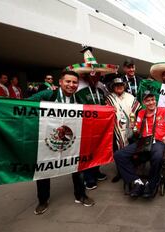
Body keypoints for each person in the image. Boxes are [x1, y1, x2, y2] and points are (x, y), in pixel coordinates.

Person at [28, 70, 94, 214]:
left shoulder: (78, 99)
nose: (71, 85)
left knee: (78, 166)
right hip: (48, 138)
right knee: (45, 168)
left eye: (74, 82)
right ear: (60, 82)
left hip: (72, 139)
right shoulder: (48, 94)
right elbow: (24, 104)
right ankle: (43, 200)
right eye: (68, 81)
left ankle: (81, 195)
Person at [68, 46, 118, 190]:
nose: (95, 77)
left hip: (100, 126)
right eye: (91, 74)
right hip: (85, 126)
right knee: (88, 152)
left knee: (99, 150)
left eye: (97, 74)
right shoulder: (77, 87)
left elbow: (107, 101)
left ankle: (96, 172)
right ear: (84, 75)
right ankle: (89, 178)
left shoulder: (101, 86)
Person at [114, 91, 165, 198]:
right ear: (144, 102)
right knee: (119, 155)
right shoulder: (141, 113)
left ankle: (152, 183)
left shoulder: (164, 111)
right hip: (144, 141)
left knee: (158, 157)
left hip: (158, 141)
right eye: (148, 100)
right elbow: (137, 131)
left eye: (153, 100)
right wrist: (133, 127)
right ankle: (136, 181)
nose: (151, 102)